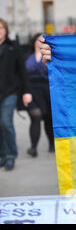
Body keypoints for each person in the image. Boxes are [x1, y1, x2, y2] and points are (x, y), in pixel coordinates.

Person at [0, 18, 33, 171]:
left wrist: (26, 91)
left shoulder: (13, 47)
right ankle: (2, 154)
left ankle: (11, 155)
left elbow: (23, 72)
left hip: (10, 92)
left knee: (6, 122)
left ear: (6, 30)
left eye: (1, 28)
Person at [24, 33, 54, 157]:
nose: (41, 41)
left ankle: (52, 144)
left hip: (47, 89)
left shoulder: (51, 56)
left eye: (43, 40)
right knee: (35, 117)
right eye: (38, 39)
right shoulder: (26, 56)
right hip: (31, 90)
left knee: (48, 119)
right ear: (34, 41)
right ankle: (33, 147)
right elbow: (22, 75)